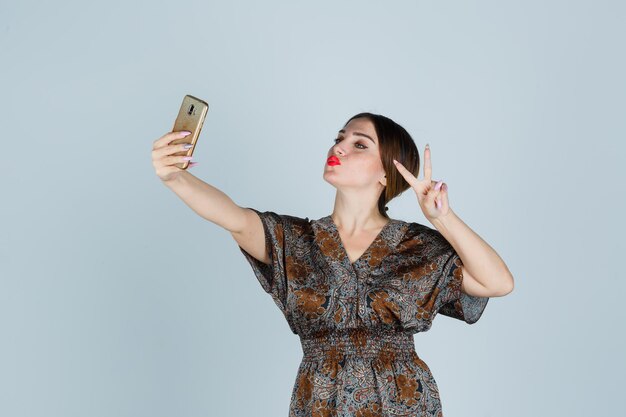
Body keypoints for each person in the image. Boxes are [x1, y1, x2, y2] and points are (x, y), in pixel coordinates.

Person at [151, 112, 514, 416]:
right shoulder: (293, 240)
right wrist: (175, 177)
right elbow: (233, 217)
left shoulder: (418, 246)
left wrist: (442, 218)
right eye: (339, 138)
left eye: (359, 144)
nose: (338, 147)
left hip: (402, 401)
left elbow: (498, 282)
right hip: (319, 399)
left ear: (387, 174)